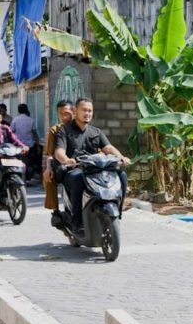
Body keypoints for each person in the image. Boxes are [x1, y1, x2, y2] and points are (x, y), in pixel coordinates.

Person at [54, 98, 130, 234]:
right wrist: (66, 160)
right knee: (78, 178)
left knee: (122, 175)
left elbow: (109, 148)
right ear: (75, 111)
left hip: (95, 170)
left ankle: (117, 213)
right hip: (75, 169)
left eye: (90, 111)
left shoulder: (96, 132)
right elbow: (59, 151)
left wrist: (122, 157)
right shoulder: (64, 131)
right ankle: (77, 223)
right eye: (84, 110)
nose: (87, 113)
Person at [43, 100, 74, 210]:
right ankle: (55, 210)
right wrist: (48, 168)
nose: (64, 117)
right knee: (48, 177)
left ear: (73, 112)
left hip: (80, 162)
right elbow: (50, 154)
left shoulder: (81, 127)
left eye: (67, 113)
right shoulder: (55, 130)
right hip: (63, 163)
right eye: (61, 114)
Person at [11, 103, 40, 181]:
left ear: (18, 110)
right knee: (27, 162)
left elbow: (11, 132)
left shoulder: (15, 120)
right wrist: (37, 144)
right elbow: (34, 133)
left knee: (18, 162)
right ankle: (25, 179)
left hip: (18, 146)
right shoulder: (31, 120)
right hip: (29, 146)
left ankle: (19, 178)